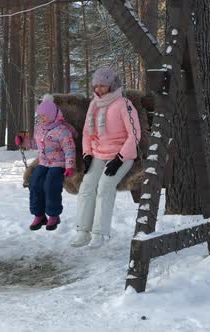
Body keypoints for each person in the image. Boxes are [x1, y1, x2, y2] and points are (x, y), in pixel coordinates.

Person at [70, 67, 141, 248]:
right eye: (96, 86)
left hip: (121, 155)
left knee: (104, 187)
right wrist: (86, 154)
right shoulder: (94, 105)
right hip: (98, 154)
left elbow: (135, 135)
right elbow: (87, 133)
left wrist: (120, 158)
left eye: (103, 86)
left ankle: (99, 233)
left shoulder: (124, 104)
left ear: (111, 85)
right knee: (87, 186)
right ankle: (82, 232)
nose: (98, 89)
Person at [15, 94, 77, 231]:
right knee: (35, 182)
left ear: (51, 115)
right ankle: (39, 214)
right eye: (39, 116)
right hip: (43, 163)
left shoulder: (62, 130)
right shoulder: (39, 128)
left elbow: (69, 149)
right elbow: (35, 144)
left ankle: (54, 215)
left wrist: (70, 166)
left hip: (58, 164)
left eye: (43, 116)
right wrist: (24, 141)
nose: (41, 119)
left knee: (50, 185)